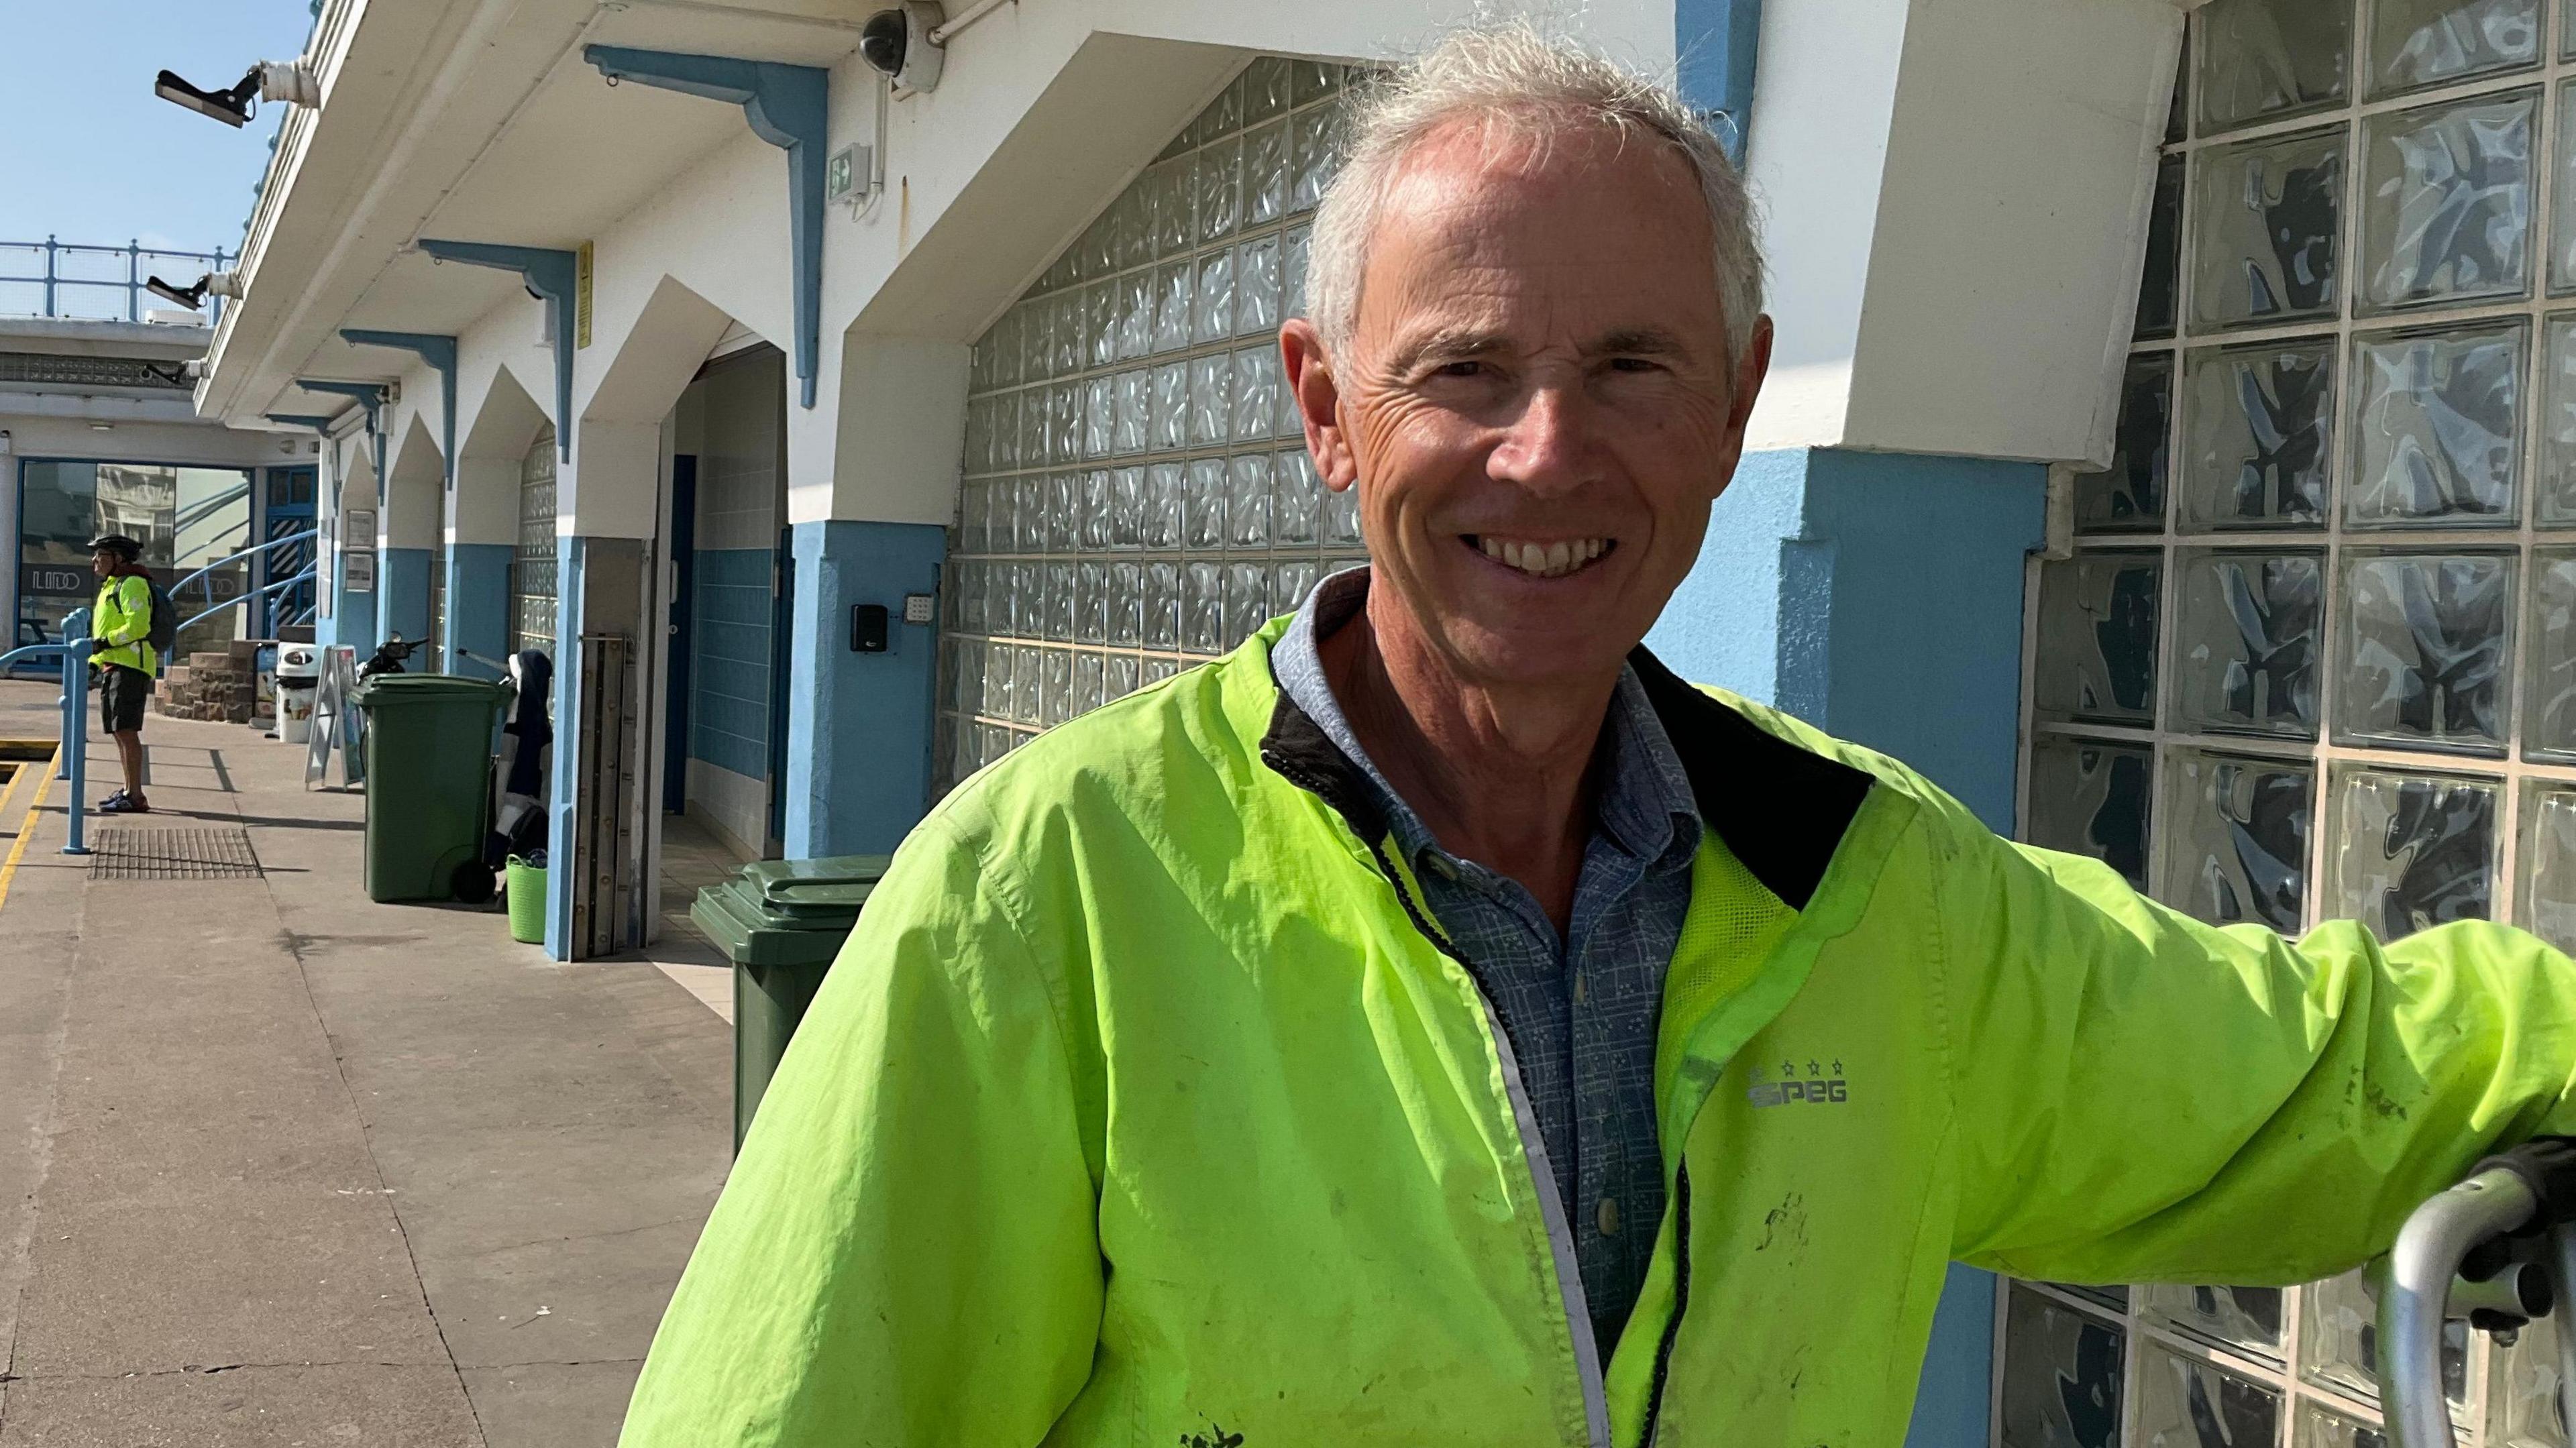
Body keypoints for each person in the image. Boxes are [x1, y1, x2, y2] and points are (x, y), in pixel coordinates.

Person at [618, 25, 2576, 1447]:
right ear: (1326, 408)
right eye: (1459, 370)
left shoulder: (1869, 893)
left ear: (1730, 406)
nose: (1545, 451)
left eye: (1629, 367)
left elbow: (2297, 1071)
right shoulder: (1049, 892)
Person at [86, 533, 158, 816]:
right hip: (114, 665)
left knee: (126, 732)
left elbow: (138, 626)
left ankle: (136, 795)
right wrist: (95, 660)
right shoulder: (112, 586)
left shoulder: (133, 584)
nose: (95, 560)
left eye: (101, 555)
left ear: (118, 559)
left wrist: (105, 644)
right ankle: (129, 790)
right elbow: (101, 634)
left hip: (130, 667)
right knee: (119, 732)